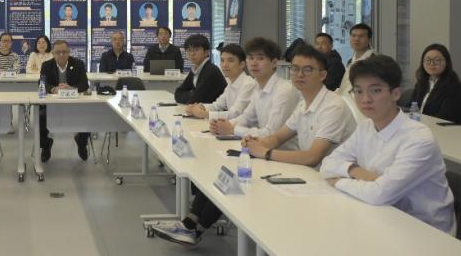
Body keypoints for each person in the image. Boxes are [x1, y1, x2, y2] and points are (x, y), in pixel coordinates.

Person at [151, 45, 356, 246]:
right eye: (295, 69)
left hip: (325, 181)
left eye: (307, 70)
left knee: (238, 177)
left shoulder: (332, 106)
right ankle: (190, 225)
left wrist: (263, 151)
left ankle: (194, 229)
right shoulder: (304, 103)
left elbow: (312, 156)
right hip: (301, 169)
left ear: (323, 75)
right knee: (229, 167)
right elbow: (277, 136)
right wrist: (253, 144)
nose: (299, 74)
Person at [321, 54, 456, 233]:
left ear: (396, 93)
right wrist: (356, 171)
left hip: (424, 229)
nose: (365, 99)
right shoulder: (366, 127)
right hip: (379, 214)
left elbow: (379, 194)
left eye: (375, 90)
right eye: (358, 91)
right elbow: (327, 165)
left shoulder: (419, 139)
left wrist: (338, 181)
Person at [210, 37, 299, 144]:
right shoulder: (258, 87)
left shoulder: (284, 91)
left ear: (274, 63)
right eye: (251, 58)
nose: (254, 63)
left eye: (260, 58)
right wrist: (222, 125)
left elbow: (271, 133)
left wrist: (233, 129)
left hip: (283, 152)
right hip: (261, 148)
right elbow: (246, 118)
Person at [39, 40, 90, 162]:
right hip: (52, 105)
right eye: (58, 52)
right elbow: (42, 84)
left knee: (89, 115)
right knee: (41, 116)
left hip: (75, 104)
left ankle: (81, 143)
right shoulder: (46, 65)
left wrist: (71, 88)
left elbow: (84, 84)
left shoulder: (78, 64)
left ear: (69, 52)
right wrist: (54, 89)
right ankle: (46, 145)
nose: (61, 55)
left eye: (64, 52)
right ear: (53, 53)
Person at [185, 43, 255, 121]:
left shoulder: (248, 85)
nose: (225, 65)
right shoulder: (231, 83)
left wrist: (204, 114)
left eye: (231, 61)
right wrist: (200, 107)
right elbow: (217, 105)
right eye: (222, 60)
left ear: (242, 64)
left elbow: (235, 114)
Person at [406, 43, 461, 124]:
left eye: (437, 60)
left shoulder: (453, 86)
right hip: (420, 126)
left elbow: (445, 118)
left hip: (441, 128)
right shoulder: (421, 83)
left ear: (446, 62)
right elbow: (411, 107)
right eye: (428, 60)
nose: (431, 64)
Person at [172, 35, 226, 105]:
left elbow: (196, 100)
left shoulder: (211, 71)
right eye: (189, 50)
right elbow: (178, 93)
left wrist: (193, 95)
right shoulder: (195, 69)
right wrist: (193, 95)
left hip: (217, 110)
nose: (192, 54)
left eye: (196, 50)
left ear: (206, 52)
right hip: (204, 109)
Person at [337, 23, 375, 98]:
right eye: (353, 36)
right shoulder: (350, 61)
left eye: (361, 36)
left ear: (369, 39)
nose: (356, 39)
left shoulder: (373, 61)